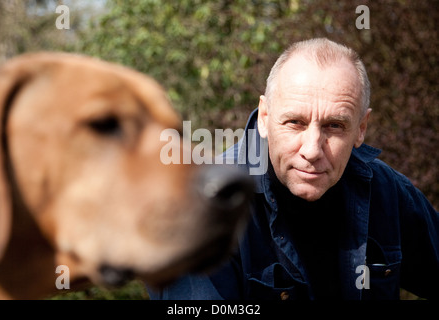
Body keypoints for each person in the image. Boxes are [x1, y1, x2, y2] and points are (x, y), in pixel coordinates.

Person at [148, 38, 439, 300]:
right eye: (295, 123)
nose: (312, 150)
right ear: (264, 117)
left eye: (334, 126)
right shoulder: (200, 209)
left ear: (361, 129)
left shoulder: (387, 192)